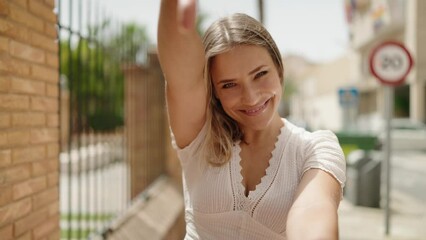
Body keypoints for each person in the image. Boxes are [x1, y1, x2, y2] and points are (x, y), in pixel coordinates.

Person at [157, 0, 346, 239]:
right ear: (214, 91)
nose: (251, 97)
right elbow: (180, 75)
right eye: (229, 85)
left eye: (260, 74)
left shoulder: (316, 149)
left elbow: (313, 211)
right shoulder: (200, 137)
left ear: (279, 70)